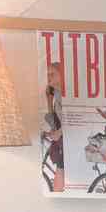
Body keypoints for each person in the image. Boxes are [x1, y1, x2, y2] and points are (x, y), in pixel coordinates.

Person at [43, 62, 65, 191]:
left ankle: (58, 195)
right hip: (61, 139)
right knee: (60, 170)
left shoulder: (69, 93)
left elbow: (73, 119)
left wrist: (60, 132)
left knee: (60, 170)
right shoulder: (56, 94)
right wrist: (48, 100)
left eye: (52, 74)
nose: (49, 77)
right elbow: (54, 121)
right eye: (47, 75)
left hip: (69, 140)